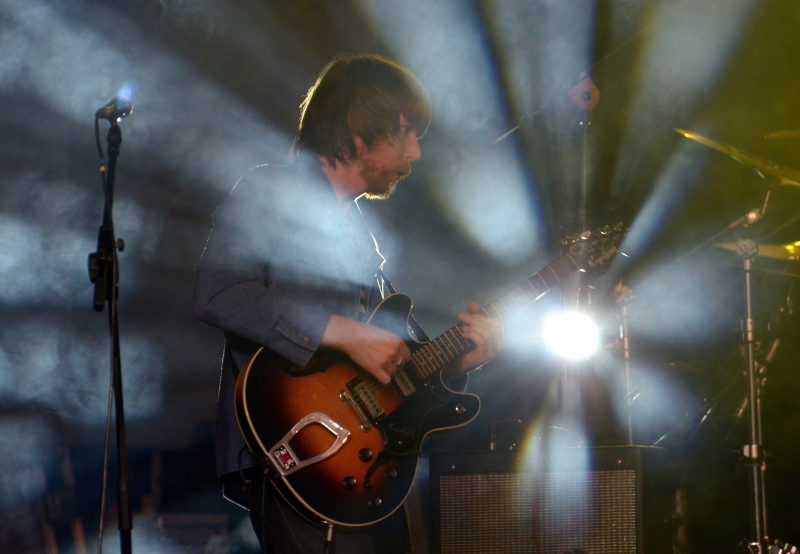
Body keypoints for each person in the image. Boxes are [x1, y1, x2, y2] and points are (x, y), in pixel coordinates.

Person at [193, 54, 503, 554]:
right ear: (360, 130)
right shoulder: (269, 193)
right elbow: (219, 293)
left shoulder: (362, 234)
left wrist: (460, 360)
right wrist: (344, 331)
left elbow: (386, 373)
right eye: (407, 133)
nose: (416, 152)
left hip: (366, 466)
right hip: (294, 451)